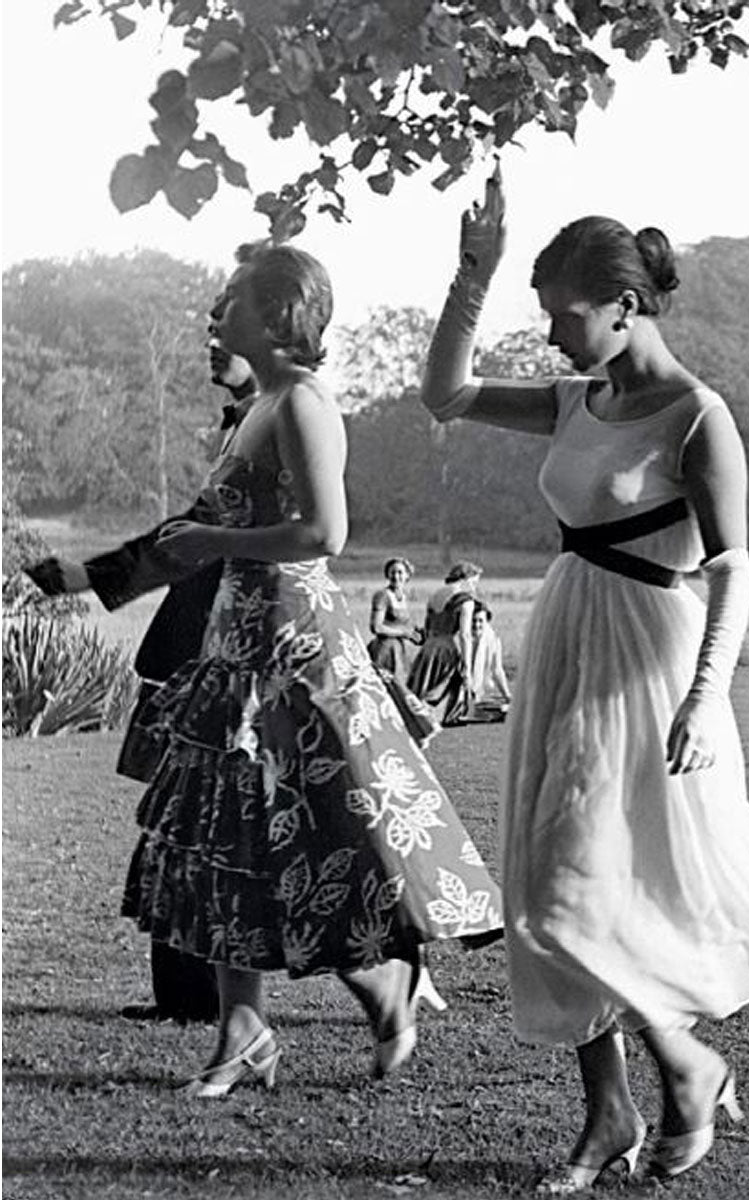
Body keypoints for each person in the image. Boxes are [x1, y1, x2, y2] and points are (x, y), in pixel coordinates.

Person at [419, 167, 749, 1189]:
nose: (551, 334)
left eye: (565, 314)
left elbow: (734, 569)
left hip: (653, 662)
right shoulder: (574, 398)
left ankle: (687, 1062)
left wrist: (707, 696)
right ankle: (607, 1115)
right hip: (569, 635)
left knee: (584, 896)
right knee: (544, 888)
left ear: (626, 308)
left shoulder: (697, 416)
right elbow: (443, 394)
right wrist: (471, 276)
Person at [120, 242, 503, 1098]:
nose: (216, 314)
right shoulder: (257, 404)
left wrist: (213, 541)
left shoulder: (303, 403)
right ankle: (242, 1033)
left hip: (295, 644)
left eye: (230, 301)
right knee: (228, 830)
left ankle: (384, 983)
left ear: (278, 314)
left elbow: (326, 535)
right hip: (235, 637)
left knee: (326, 825)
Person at [23, 333, 259, 1025]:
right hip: (196, 651)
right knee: (178, 824)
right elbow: (186, 533)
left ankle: (392, 970)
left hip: (228, 654)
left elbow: (196, 536)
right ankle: (187, 996)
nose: (213, 340)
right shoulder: (247, 422)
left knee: (208, 826)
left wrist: (82, 576)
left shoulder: (276, 418)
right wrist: (84, 576)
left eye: (229, 325)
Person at [365, 556, 440, 745]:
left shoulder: (403, 597)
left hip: (397, 651)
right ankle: (418, 730)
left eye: (400, 572)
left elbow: (405, 625)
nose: (396, 576)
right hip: (383, 650)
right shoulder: (382, 596)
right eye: (393, 572)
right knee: (391, 690)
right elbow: (376, 627)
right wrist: (404, 633)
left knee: (398, 691)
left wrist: (417, 634)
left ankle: (403, 733)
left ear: (407, 575)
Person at [406, 561, 482, 726]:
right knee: (443, 687)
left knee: (423, 685)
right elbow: (465, 635)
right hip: (446, 648)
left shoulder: (435, 595)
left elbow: (427, 627)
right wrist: (468, 668)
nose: (474, 587)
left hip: (429, 647)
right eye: (474, 582)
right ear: (466, 578)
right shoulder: (465, 600)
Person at [460, 601, 511, 723]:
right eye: (473, 620)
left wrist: (507, 696)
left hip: (480, 691)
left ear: (487, 622)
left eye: (480, 621)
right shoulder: (460, 640)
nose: (476, 625)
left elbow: (497, 670)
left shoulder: (493, 640)